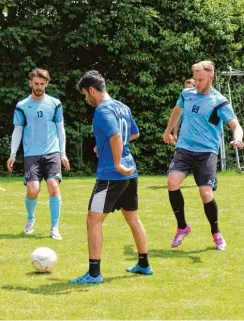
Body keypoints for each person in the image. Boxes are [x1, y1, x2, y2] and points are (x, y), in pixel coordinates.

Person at [71, 70, 153, 284]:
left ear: (91, 90)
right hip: (130, 172)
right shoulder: (121, 107)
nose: (85, 99)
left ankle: (94, 273)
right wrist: (106, 146)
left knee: (93, 219)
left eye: (84, 94)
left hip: (111, 174)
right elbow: (133, 133)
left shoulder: (102, 110)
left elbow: (117, 136)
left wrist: (116, 161)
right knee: (132, 218)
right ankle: (144, 264)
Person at [163, 60, 244, 250]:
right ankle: (182, 227)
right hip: (184, 148)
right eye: (195, 79)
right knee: (172, 182)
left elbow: (236, 125)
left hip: (206, 151)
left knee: (205, 193)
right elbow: (176, 112)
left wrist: (238, 139)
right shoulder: (187, 94)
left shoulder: (219, 102)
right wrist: (168, 132)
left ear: (211, 78)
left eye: (200, 80)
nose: (197, 83)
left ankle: (216, 232)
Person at [7, 68, 70, 240]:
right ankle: (30, 217)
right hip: (31, 154)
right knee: (33, 190)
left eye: (42, 84)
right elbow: (18, 130)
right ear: (30, 83)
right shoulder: (22, 106)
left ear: (47, 84)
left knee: (53, 187)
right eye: (36, 83)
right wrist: (13, 154)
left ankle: (55, 227)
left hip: (52, 151)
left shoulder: (55, 104)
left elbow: (60, 129)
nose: (39, 87)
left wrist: (63, 153)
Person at [172, 78, 196, 143]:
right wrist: (175, 134)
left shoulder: (201, 101)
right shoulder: (183, 101)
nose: (187, 91)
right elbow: (177, 118)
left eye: (190, 89)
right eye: (186, 89)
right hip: (185, 136)